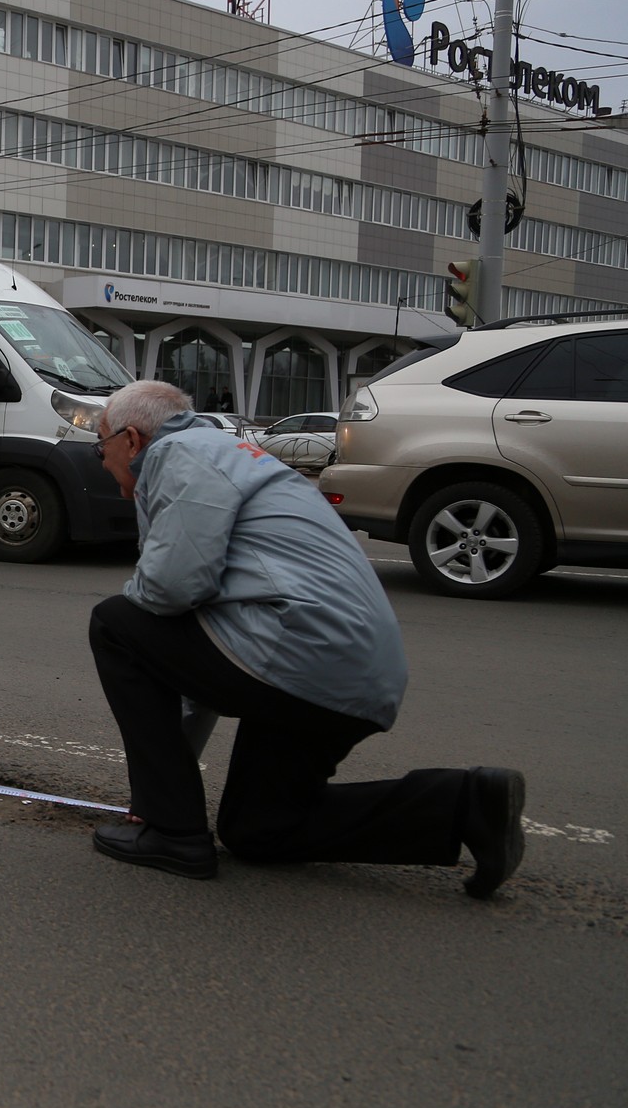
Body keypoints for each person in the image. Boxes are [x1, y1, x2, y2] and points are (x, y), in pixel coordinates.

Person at [84, 379, 525, 897]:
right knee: (260, 828)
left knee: (116, 621)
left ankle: (172, 836)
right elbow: (184, 652)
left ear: (132, 440)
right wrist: (158, 796)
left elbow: (169, 591)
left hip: (299, 652)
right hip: (346, 672)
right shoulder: (233, 455)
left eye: (101, 446)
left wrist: (167, 815)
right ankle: (465, 804)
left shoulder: (180, 453)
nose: (102, 460)